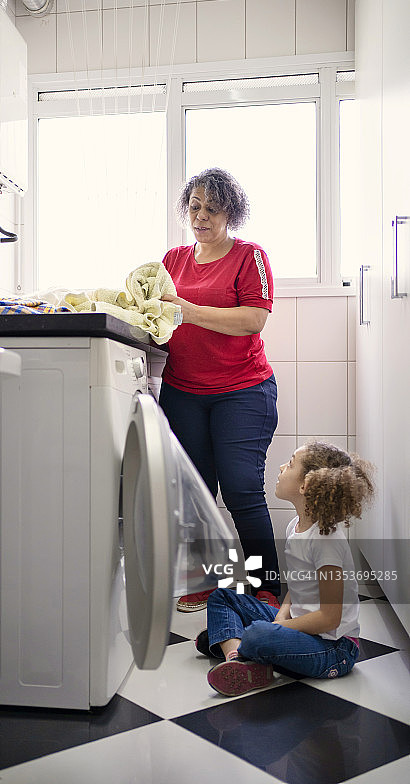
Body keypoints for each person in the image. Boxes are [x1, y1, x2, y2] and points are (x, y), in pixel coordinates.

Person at [160, 167, 280, 612]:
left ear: (231, 212)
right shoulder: (172, 260)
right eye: (194, 207)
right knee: (195, 491)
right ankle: (209, 580)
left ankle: (266, 585)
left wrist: (188, 311)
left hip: (243, 390)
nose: (201, 216)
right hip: (183, 390)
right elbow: (159, 316)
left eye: (212, 208)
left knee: (242, 487)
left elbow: (253, 319)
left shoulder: (250, 256)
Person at [198, 441, 374, 697]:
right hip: (300, 626)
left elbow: (330, 618)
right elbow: (297, 586)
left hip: (333, 649)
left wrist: (276, 628)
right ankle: (238, 658)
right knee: (222, 597)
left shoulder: (327, 542)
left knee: (258, 634)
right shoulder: (295, 526)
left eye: (290, 464)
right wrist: (280, 618)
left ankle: (234, 645)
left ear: (306, 486)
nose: (281, 467)